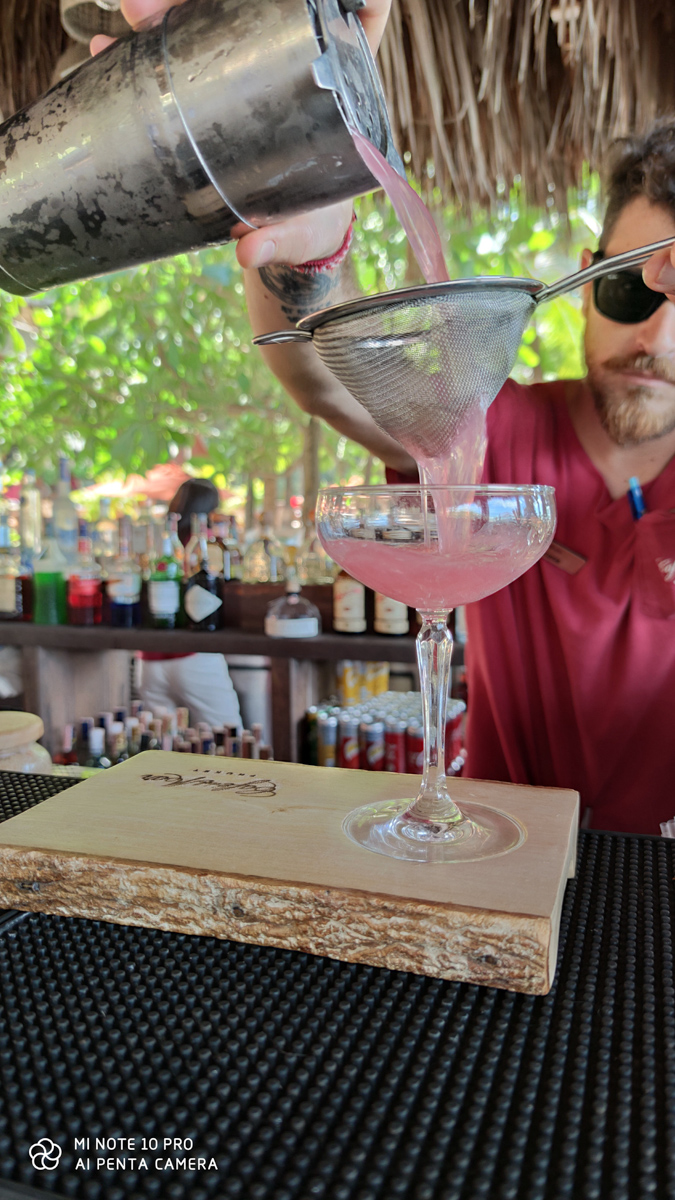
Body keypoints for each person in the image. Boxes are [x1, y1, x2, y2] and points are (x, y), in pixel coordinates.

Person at [102, 2, 673, 834]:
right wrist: (308, 235)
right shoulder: (495, 427)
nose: (655, 338)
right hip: (492, 843)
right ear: (585, 280)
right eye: (629, 290)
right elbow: (327, 381)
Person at [136, 478, 242, 731]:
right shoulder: (207, 545)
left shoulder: (160, 543)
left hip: (149, 660)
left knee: (162, 742)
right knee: (227, 736)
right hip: (194, 655)